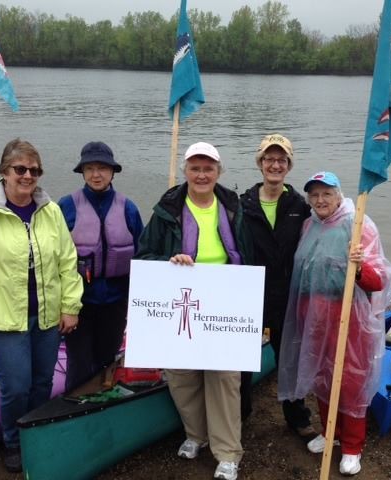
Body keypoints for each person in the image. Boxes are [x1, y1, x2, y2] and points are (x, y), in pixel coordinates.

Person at [0, 138, 83, 473]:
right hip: (3, 317)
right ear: (4, 171)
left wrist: (70, 306)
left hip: (46, 315)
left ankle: (35, 435)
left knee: (42, 382)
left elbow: (68, 261)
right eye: (20, 169)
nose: (27, 176)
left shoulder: (50, 212)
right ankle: (13, 442)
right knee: (16, 386)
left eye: (34, 171)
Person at [135, 142, 251, 480]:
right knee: (182, 376)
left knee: (224, 379)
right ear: (185, 171)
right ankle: (195, 434)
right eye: (195, 168)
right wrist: (169, 260)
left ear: (219, 172)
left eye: (208, 168)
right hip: (179, 301)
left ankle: (227, 452)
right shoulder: (166, 211)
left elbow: (248, 254)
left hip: (224, 303)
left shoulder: (233, 208)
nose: (201, 175)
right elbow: (143, 256)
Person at [277, 171, 391, 476]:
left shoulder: (359, 225)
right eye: (314, 195)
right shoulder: (309, 225)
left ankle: (352, 446)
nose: (320, 200)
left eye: (327, 193)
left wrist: (359, 266)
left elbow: (378, 280)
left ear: (339, 195)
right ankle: (331, 433)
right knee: (322, 374)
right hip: (313, 312)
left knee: (351, 379)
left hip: (348, 313)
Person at [239, 134, 313, 436]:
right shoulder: (242, 205)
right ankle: (239, 415)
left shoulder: (300, 206)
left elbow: (316, 240)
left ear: (289, 165)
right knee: (241, 361)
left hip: (287, 295)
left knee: (290, 359)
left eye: (281, 160)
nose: (275, 165)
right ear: (260, 164)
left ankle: (297, 418)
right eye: (269, 159)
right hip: (250, 295)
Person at [58, 141, 143, 391]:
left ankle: (104, 402)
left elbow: (143, 254)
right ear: (82, 172)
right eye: (90, 168)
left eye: (102, 168)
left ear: (112, 172)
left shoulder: (128, 208)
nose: (96, 175)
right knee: (79, 364)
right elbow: (53, 257)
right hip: (78, 302)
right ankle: (75, 404)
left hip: (115, 301)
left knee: (107, 360)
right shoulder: (66, 206)